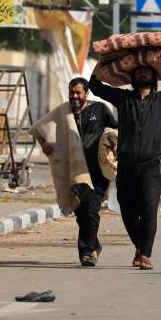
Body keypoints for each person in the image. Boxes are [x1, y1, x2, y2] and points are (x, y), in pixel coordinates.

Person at [89, 52, 161, 270]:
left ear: (153, 76)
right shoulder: (123, 99)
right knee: (127, 210)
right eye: (138, 70)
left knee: (148, 209)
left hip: (151, 165)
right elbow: (95, 85)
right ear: (133, 77)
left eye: (146, 70)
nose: (142, 72)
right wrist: (103, 60)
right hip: (126, 165)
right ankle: (140, 246)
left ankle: (145, 254)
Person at [36, 77, 117, 267]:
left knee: (91, 209)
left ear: (86, 93)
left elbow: (115, 132)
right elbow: (40, 129)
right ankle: (94, 245)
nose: (74, 96)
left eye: (78, 93)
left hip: (97, 171)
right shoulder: (62, 112)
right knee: (81, 213)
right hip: (74, 171)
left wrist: (113, 151)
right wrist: (44, 144)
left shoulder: (100, 110)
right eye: (72, 92)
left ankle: (86, 252)